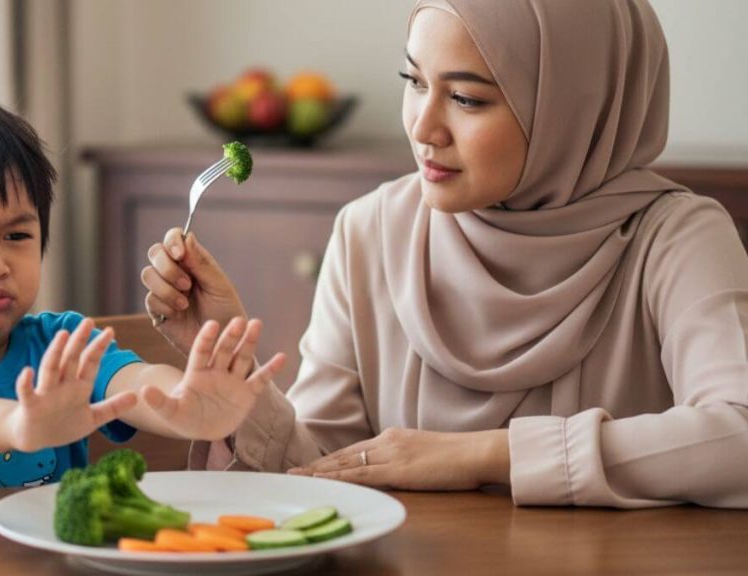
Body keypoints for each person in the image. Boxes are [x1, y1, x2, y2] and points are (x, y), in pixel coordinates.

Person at [142, 0, 748, 508]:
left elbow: (739, 433)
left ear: (572, 107)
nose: (423, 126)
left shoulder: (676, 238)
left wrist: (482, 455)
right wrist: (233, 369)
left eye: (466, 98)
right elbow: (327, 468)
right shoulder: (371, 230)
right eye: (414, 82)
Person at [0, 90, 285, 492]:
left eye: (17, 236)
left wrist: (188, 401)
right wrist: (13, 424)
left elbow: (136, 384)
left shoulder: (60, 345)